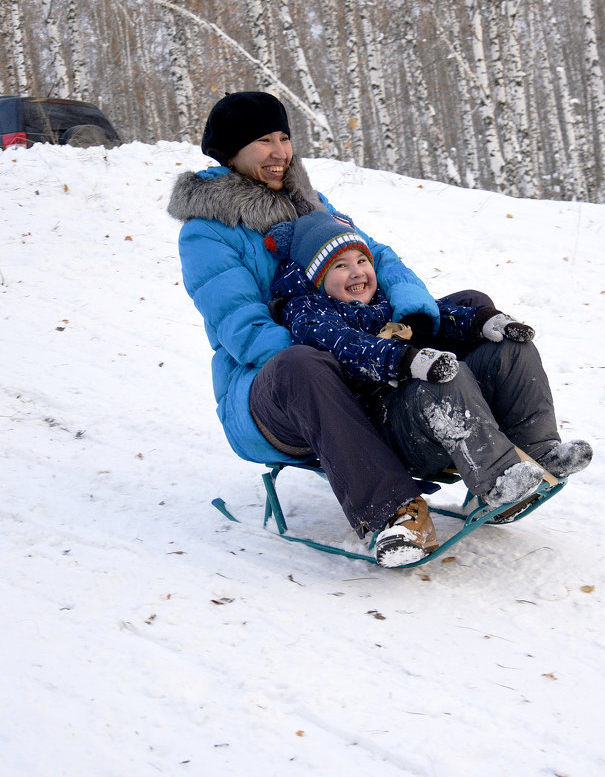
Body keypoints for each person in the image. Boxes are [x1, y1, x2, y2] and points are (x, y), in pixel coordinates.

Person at [169, 91, 475, 566]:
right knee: (303, 363)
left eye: (284, 138)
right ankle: (395, 514)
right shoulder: (206, 230)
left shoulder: (311, 204)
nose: (280, 152)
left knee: (465, 310)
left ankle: (510, 462)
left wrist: (412, 320)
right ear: (231, 153)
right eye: (263, 141)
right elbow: (244, 329)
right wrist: (349, 356)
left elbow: (379, 260)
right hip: (270, 391)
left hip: (352, 359)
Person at [266, 210, 593, 565]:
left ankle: (538, 451)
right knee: (445, 379)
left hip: (423, 413)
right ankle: (497, 481)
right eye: (341, 266)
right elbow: (348, 347)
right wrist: (406, 360)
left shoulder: (383, 302)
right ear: (317, 278)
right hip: (388, 428)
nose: (358, 271)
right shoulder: (310, 313)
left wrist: (484, 322)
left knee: (513, 350)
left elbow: (438, 319)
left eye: (362, 260)